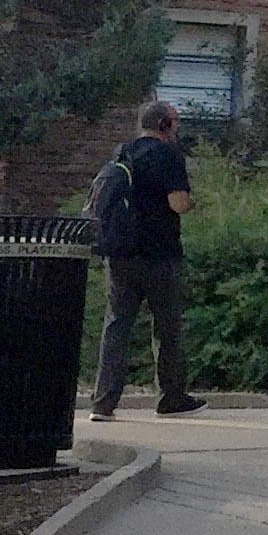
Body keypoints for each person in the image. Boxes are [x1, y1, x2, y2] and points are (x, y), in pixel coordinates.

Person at [89, 100, 208, 420]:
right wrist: (194, 204)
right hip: (158, 254)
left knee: (116, 324)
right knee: (166, 325)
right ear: (165, 125)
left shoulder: (122, 153)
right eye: (175, 122)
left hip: (119, 253)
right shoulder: (168, 155)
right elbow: (178, 204)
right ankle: (171, 397)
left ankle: (103, 403)